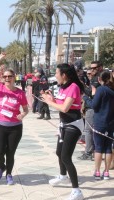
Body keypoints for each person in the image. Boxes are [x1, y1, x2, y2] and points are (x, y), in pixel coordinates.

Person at [42, 63, 85, 200]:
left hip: (74, 125)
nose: (55, 75)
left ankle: (77, 191)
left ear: (64, 75)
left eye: (56, 73)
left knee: (66, 157)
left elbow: (65, 108)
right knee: (59, 153)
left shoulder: (73, 87)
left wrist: (49, 103)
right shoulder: (63, 87)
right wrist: (51, 99)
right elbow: (61, 105)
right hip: (64, 124)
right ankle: (63, 176)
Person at [0, 53, 29, 185]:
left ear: (14, 77)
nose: (7, 78)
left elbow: (26, 109)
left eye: (9, 76)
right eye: (4, 76)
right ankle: (1, 166)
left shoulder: (20, 93)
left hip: (15, 128)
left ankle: (9, 174)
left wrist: (22, 115)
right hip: (0, 126)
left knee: (10, 153)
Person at [83, 70, 114, 180]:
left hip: (100, 122)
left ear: (100, 79)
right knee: (108, 148)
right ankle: (106, 172)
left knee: (99, 148)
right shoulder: (112, 89)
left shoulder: (101, 90)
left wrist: (86, 98)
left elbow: (94, 106)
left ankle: (97, 171)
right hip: (111, 123)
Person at [78, 61, 103, 160]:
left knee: (89, 130)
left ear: (100, 67)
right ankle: (94, 151)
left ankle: (89, 152)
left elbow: (91, 93)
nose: (92, 70)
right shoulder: (98, 77)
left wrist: (83, 87)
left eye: (94, 68)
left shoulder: (97, 78)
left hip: (92, 107)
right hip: (95, 106)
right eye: (90, 68)